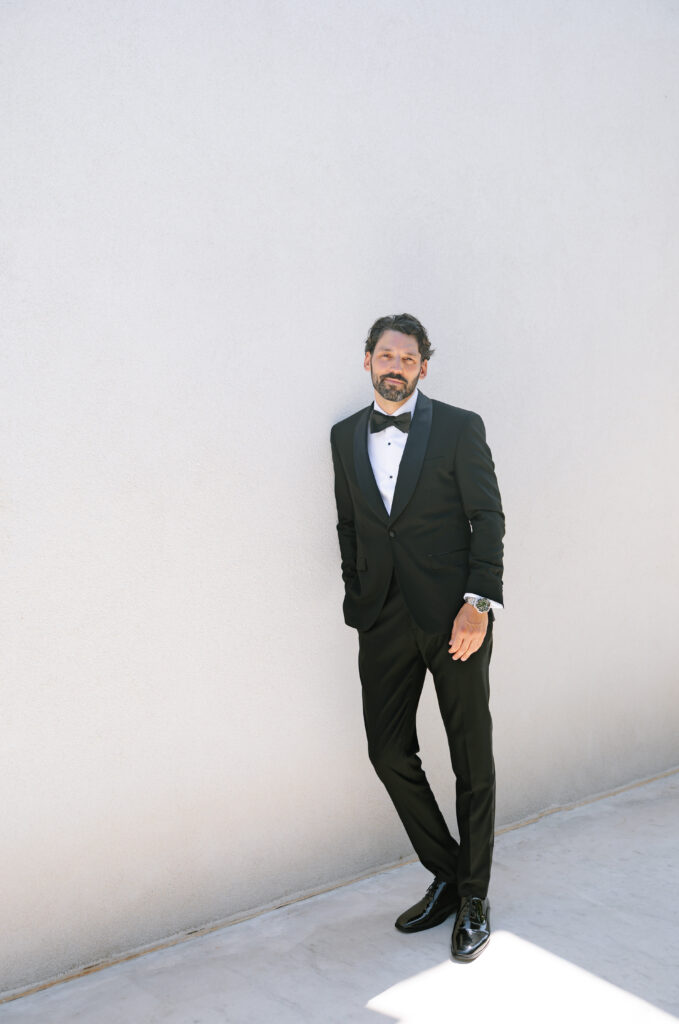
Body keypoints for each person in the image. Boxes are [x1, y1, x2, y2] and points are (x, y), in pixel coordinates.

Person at [330, 314, 505, 962]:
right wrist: (358, 602)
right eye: (385, 355)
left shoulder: (459, 428)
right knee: (387, 751)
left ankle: (475, 898)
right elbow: (350, 525)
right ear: (368, 361)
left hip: (455, 619)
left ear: (423, 366)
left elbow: (486, 516)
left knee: (470, 758)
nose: (395, 365)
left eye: (407, 357)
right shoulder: (343, 436)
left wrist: (477, 604)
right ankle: (449, 871)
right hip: (383, 623)